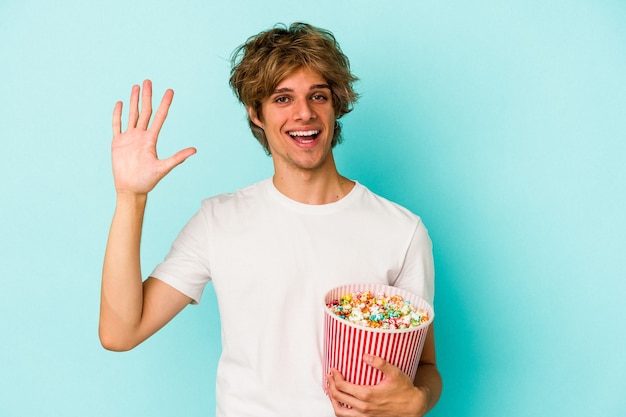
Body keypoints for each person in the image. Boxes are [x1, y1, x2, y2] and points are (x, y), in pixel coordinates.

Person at [99, 22, 442, 417]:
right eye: (283, 98)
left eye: (318, 95)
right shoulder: (219, 220)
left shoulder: (401, 229)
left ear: (336, 106)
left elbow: (426, 368)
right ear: (256, 114)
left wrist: (420, 399)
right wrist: (131, 198)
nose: (304, 113)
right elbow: (120, 332)